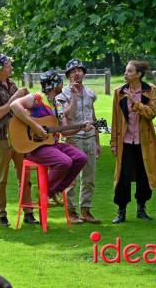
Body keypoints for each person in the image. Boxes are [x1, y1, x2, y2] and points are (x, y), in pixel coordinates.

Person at [10, 70, 90, 202]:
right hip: (34, 147)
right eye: (60, 82)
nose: (62, 85)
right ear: (54, 84)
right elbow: (14, 105)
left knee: (81, 158)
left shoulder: (57, 104)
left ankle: (54, 191)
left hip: (52, 144)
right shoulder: (37, 98)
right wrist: (35, 126)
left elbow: (64, 131)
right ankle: (45, 192)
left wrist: (81, 127)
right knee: (64, 162)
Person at [0, 53, 39, 227]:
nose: (11, 68)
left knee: (25, 176)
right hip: (2, 139)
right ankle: (2, 215)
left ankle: (28, 212)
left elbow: (19, 108)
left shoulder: (11, 84)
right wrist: (15, 98)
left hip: (20, 137)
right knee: (1, 179)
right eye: (8, 66)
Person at [110, 60, 156, 224]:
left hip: (144, 142)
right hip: (125, 142)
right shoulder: (118, 92)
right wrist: (114, 142)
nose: (125, 73)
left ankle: (141, 209)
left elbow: (152, 113)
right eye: (126, 71)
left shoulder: (150, 91)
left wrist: (136, 104)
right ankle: (121, 211)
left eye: (129, 71)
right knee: (123, 176)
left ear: (138, 74)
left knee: (144, 176)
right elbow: (115, 119)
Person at [56, 59, 102, 224]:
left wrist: (98, 141)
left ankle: (86, 211)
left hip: (89, 139)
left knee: (89, 177)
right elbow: (67, 116)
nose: (77, 73)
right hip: (73, 139)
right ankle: (71, 212)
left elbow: (94, 118)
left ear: (84, 73)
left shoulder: (90, 94)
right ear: (68, 75)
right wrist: (74, 96)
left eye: (80, 70)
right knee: (72, 178)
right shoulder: (62, 96)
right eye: (73, 71)